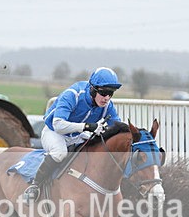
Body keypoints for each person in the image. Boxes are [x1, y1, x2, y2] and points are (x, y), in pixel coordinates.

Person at [23, 67, 122, 202]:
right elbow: (58, 124)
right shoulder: (73, 94)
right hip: (54, 132)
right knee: (60, 153)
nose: (107, 98)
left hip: (76, 135)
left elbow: (117, 127)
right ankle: (35, 185)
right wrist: (87, 127)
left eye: (111, 93)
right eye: (104, 92)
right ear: (92, 89)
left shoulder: (108, 105)